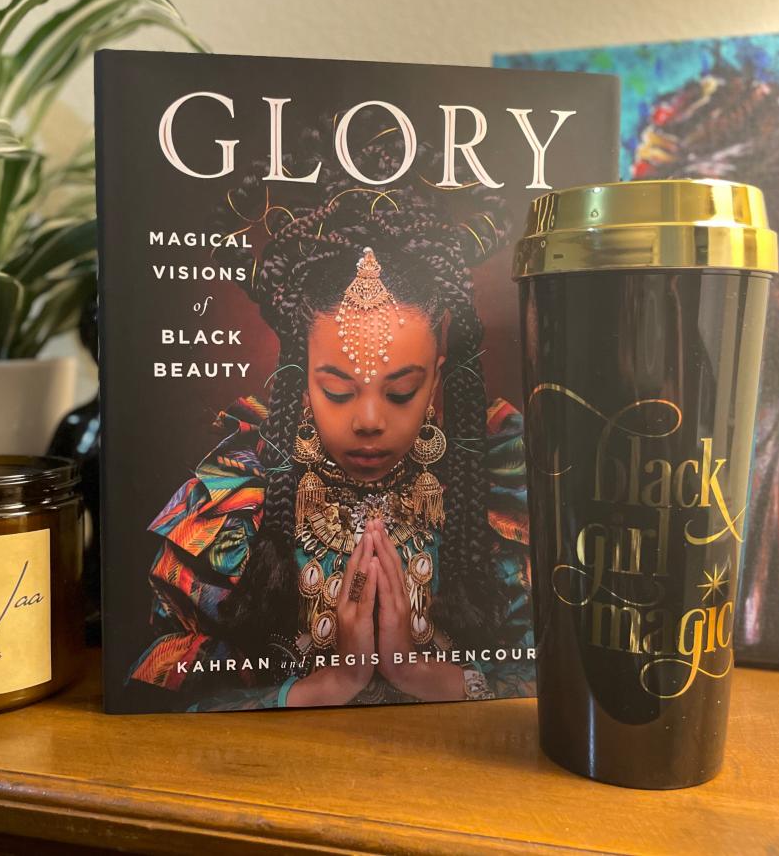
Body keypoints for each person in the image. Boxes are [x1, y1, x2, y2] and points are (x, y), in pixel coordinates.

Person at [128, 127, 533, 709]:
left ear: (437, 377)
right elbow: (155, 690)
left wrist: (429, 677)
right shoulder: (239, 498)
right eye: (338, 391)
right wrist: (321, 688)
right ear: (301, 377)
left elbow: (555, 670)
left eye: (401, 392)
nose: (368, 420)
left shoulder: (492, 488)